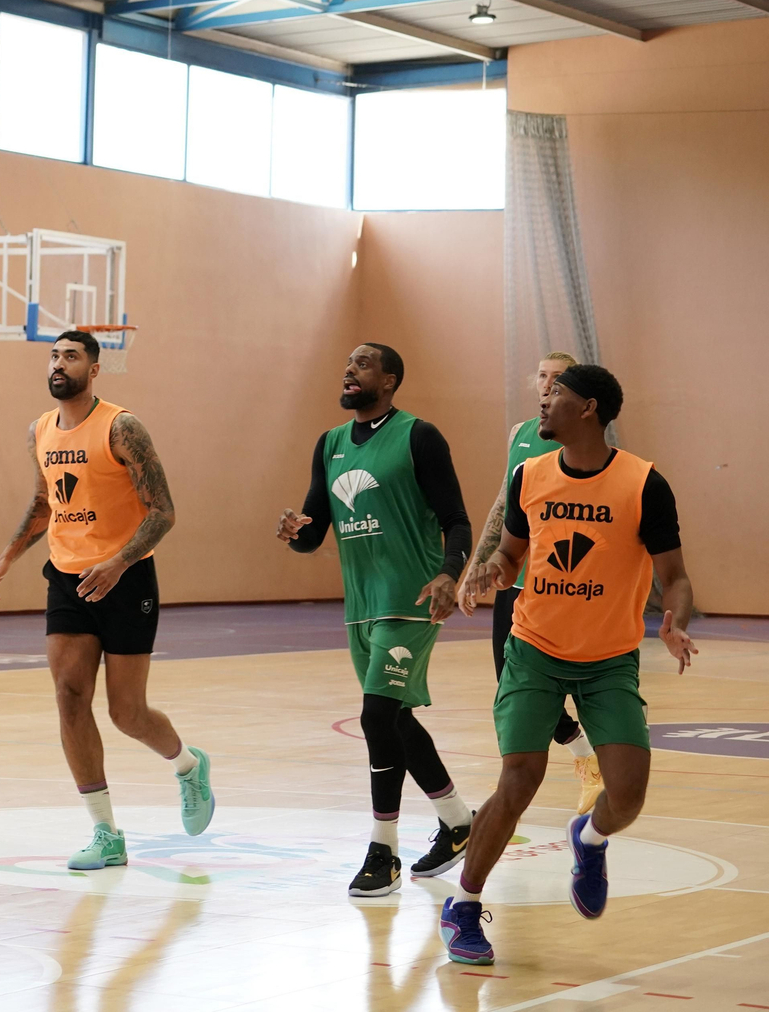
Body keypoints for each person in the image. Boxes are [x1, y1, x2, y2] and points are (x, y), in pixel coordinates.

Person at [440, 364, 695, 966]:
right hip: (534, 650)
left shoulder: (643, 484)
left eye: (556, 394)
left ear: (590, 409)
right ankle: (465, 905)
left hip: (609, 661)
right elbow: (510, 554)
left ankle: (590, 837)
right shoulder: (531, 474)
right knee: (519, 781)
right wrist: (487, 573)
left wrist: (675, 620)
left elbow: (676, 575)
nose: (544, 402)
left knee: (627, 795)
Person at [0, 330, 213, 871]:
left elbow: (163, 511)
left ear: (94, 369)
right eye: (54, 356)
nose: (59, 364)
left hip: (125, 578)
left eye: (71, 356)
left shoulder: (121, 426)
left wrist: (120, 562)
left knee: (126, 712)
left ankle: (187, 766)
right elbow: (45, 503)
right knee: (69, 696)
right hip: (67, 577)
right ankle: (105, 831)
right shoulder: (38, 429)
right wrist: (8, 556)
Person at [276, 343, 475, 897]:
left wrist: (449, 574)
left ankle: (382, 849)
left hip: (410, 602)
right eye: (347, 363)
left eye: (361, 364)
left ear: (389, 380)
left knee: (374, 717)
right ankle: (459, 820)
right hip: (359, 609)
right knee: (395, 721)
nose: (348, 370)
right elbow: (316, 529)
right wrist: (297, 532)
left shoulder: (418, 436)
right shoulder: (331, 444)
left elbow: (457, 519)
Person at [459, 351, 603, 815]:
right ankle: (584, 756)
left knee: (564, 678)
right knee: (508, 679)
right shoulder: (521, 434)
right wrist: (474, 569)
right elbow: (504, 505)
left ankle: (601, 753)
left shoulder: (582, 440)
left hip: (564, 581)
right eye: (542, 376)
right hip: (516, 578)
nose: (547, 385)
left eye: (558, 379)